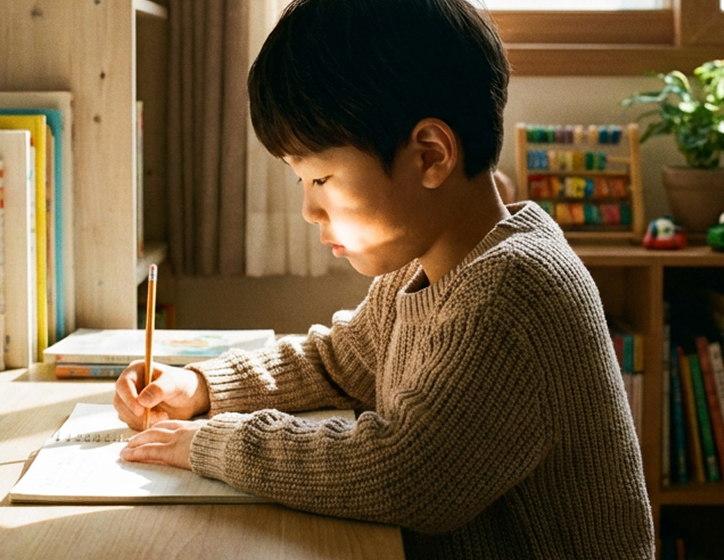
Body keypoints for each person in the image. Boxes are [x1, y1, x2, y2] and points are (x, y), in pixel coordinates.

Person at [112, 0, 654, 558]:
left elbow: (407, 473)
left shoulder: (514, 292)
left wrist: (213, 444)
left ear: (430, 156)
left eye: (320, 177)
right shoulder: (422, 272)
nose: (309, 211)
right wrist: (202, 388)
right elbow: (336, 363)